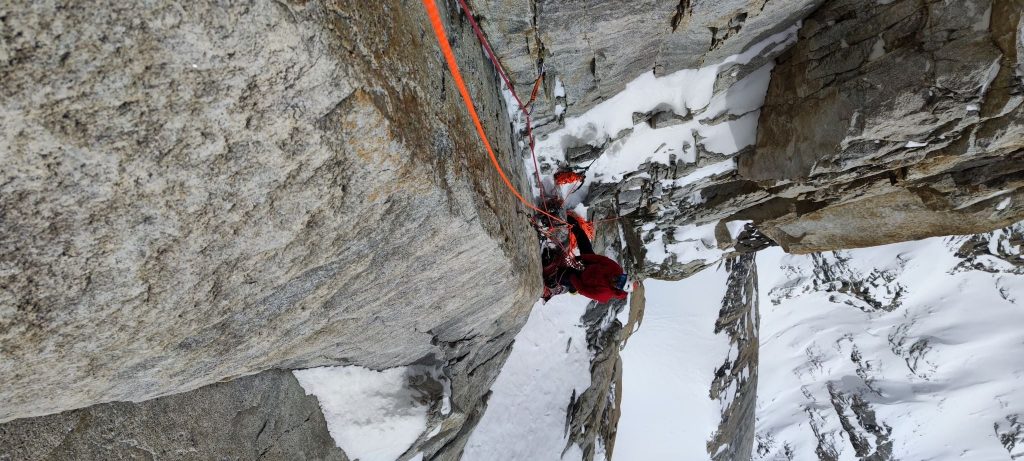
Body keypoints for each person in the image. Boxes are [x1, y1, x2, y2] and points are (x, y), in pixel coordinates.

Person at [542, 214, 629, 303]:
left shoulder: (603, 294)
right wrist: (582, 257)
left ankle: (567, 287)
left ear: (617, 288)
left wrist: (572, 277)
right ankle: (574, 225)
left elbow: (583, 290)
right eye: (618, 277)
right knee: (584, 243)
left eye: (617, 282)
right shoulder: (615, 269)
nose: (615, 278)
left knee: (559, 276)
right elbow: (599, 259)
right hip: (591, 265)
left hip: (581, 280)